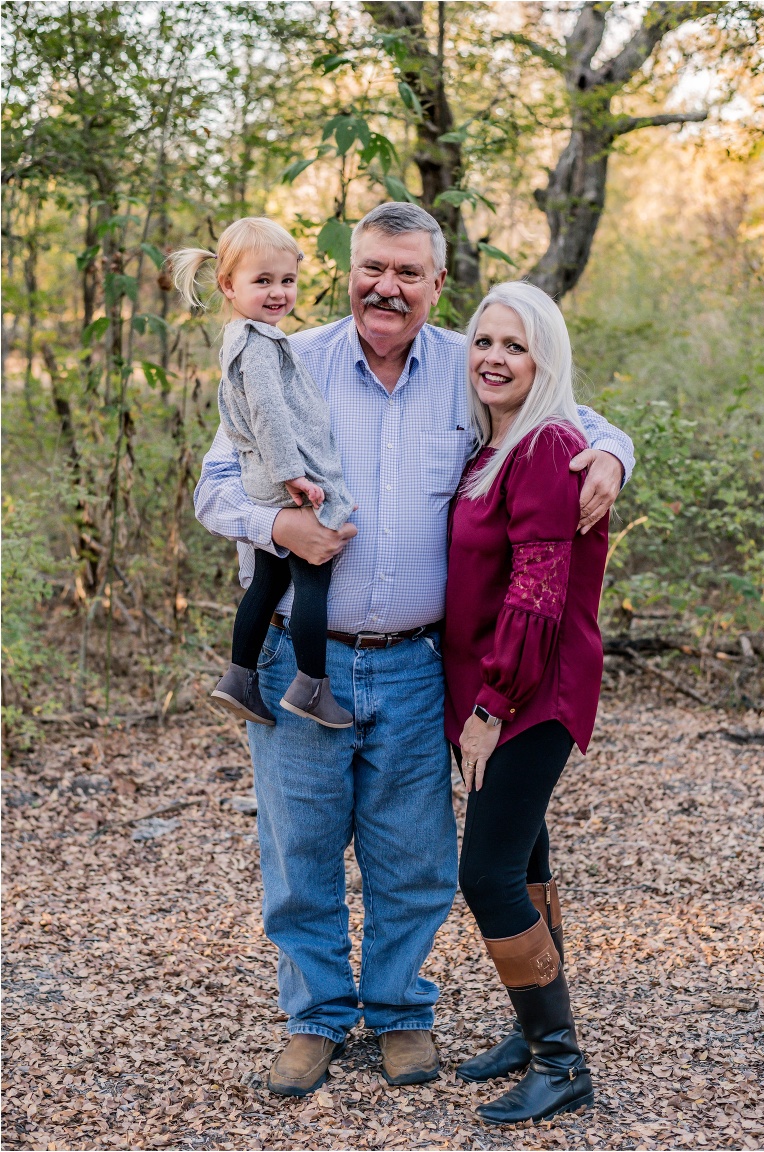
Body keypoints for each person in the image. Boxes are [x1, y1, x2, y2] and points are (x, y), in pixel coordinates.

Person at [194, 203, 634, 1098]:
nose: (385, 287)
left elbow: (573, 416)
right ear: (349, 271)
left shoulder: (465, 370)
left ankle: (399, 1012)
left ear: (439, 285)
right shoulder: (287, 357)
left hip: (415, 659)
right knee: (301, 850)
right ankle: (316, 1018)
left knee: (412, 854)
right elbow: (212, 489)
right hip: (298, 656)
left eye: (407, 273)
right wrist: (276, 522)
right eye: (371, 268)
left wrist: (614, 455)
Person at [443, 281, 608, 1125]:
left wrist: (492, 704)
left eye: (515, 345)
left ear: (544, 359)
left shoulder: (546, 447)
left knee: (488, 872)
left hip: (531, 689)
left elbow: (538, 591)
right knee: (527, 860)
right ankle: (530, 1029)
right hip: (498, 688)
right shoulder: (493, 444)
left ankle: (561, 1059)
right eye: (484, 342)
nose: (494, 359)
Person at [172, 218, 355, 729]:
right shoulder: (258, 346)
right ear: (229, 286)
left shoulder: (243, 339)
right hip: (284, 483)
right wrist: (294, 477)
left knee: (267, 582)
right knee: (313, 580)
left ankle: (239, 677)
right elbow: (271, 417)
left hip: (262, 479)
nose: (278, 293)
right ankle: (311, 687)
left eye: (287, 280)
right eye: (263, 281)